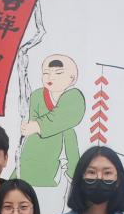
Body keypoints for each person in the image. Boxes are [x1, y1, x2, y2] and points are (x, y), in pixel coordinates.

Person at [18, 54, 84, 187]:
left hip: (63, 146)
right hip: (36, 146)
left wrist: (38, 126)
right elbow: (32, 119)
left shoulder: (74, 96)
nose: (51, 77)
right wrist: (29, 127)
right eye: (46, 73)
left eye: (58, 73)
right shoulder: (37, 95)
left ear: (72, 78)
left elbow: (64, 117)